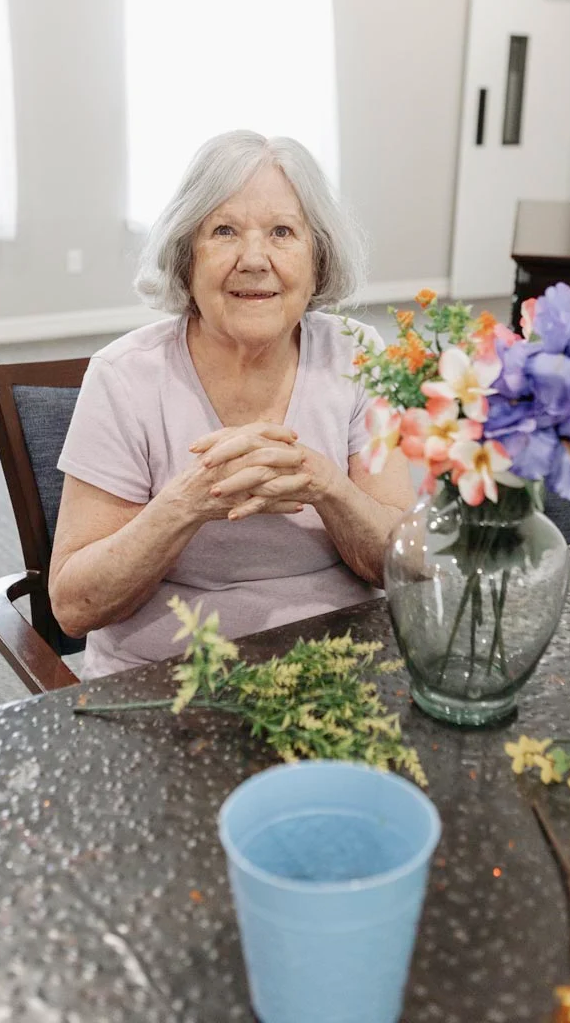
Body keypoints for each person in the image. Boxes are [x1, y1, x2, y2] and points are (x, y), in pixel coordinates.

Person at [50, 131, 414, 678]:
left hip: (341, 663)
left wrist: (326, 486)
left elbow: (402, 563)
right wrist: (187, 504)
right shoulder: (124, 378)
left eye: (282, 232)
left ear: (317, 257)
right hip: (167, 679)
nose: (254, 259)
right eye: (224, 231)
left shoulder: (357, 357)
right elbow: (75, 608)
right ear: (185, 257)